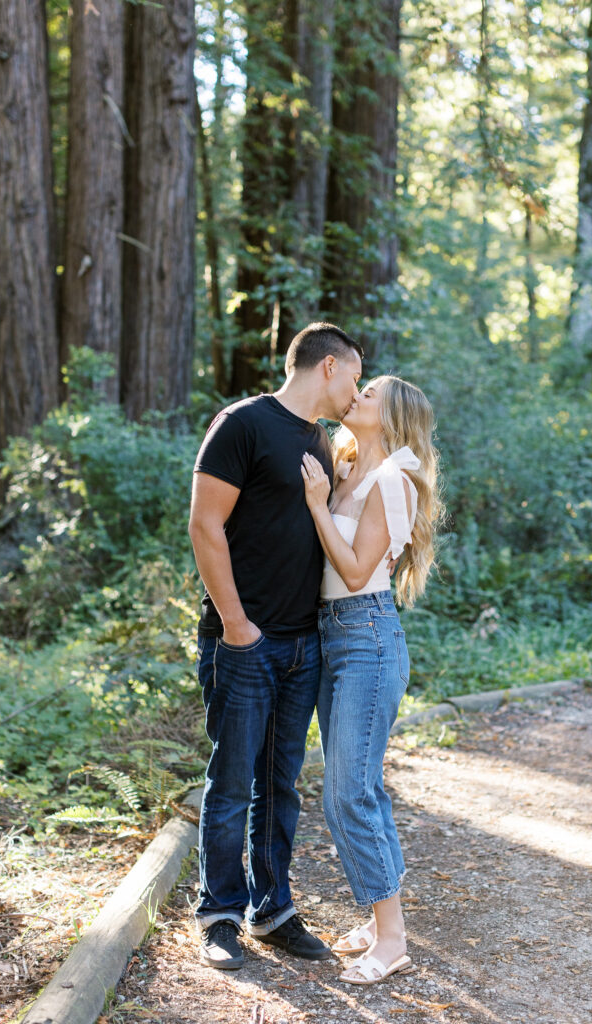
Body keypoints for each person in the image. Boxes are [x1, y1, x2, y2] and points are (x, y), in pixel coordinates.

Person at [188, 322, 363, 970]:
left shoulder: (317, 441)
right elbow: (204, 526)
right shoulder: (242, 424)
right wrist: (236, 624)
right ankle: (219, 915)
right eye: (355, 374)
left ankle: (273, 910)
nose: (357, 388)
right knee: (232, 784)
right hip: (243, 643)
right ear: (327, 366)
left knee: (279, 787)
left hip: (300, 646)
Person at [300, 374, 441, 986]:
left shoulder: (393, 480)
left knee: (346, 793)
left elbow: (357, 572)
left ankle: (393, 940)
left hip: (368, 637)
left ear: (391, 418)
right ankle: (380, 917)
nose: (356, 395)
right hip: (332, 635)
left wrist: (313, 504)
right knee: (361, 789)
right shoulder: (349, 465)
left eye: (370, 394)